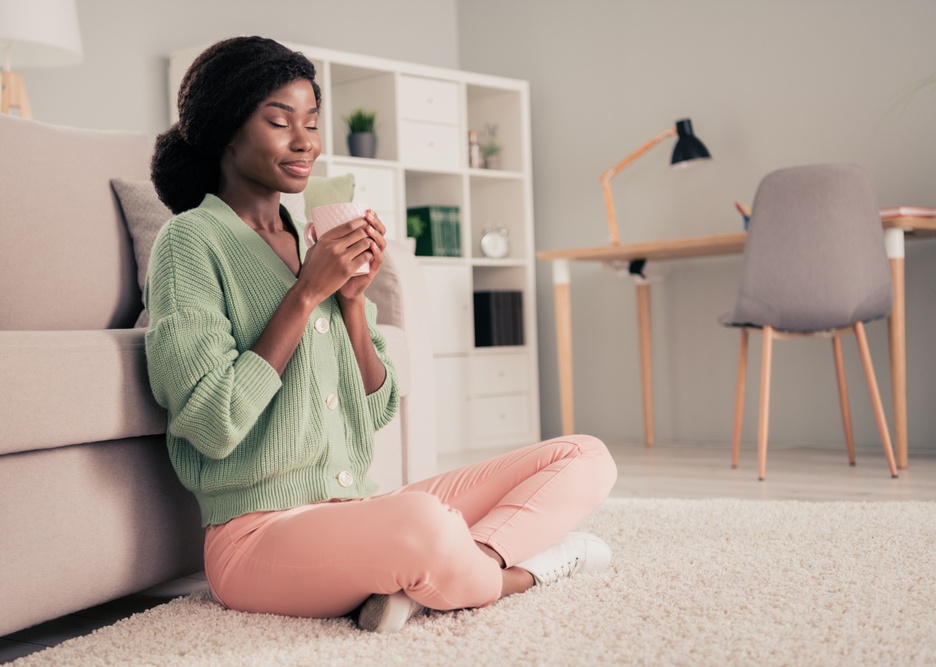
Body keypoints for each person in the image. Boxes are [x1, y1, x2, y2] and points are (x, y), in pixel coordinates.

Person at [144, 35, 618, 633]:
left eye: (312, 122)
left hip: (360, 509)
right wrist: (306, 293)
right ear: (225, 130)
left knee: (584, 456)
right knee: (424, 523)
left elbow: (374, 408)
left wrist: (352, 301)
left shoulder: (306, 235)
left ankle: (433, 578)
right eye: (279, 122)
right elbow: (211, 422)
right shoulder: (189, 242)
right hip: (256, 536)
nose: (305, 142)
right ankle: (527, 571)